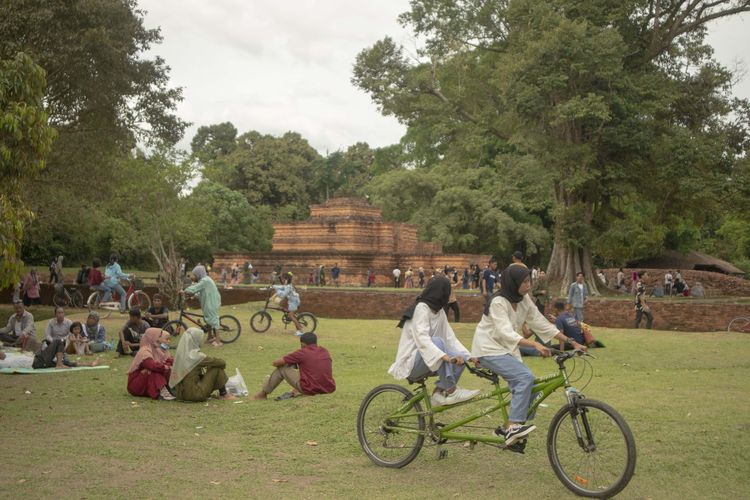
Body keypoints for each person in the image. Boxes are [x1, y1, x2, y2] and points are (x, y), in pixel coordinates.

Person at [471, 265, 586, 447]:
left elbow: (541, 323)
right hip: (488, 349)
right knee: (525, 378)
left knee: (532, 386)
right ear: (513, 283)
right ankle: (513, 427)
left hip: (507, 349)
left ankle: (508, 427)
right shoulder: (498, 302)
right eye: (524, 282)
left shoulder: (523, 299)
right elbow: (506, 333)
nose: (529, 286)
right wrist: (535, 344)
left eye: (529, 281)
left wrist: (572, 341)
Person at [389, 275, 479, 406]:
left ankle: (438, 393)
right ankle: (452, 391)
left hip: (428, 360)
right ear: (441, 293)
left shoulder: (439, 311)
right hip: (411, 363)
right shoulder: (421, 308)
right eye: (448, 292)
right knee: (437, 342)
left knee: (459, 356)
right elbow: (423, 340)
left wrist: (470, 357)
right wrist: (445, 357)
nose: (450, 295)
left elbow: (450, 339)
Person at [251, 332, 335, 400]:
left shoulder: (302, 353)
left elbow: (275, 363)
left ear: (302, 344)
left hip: (311, 389)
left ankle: (262, 394)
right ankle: (296, 389)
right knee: (305, 367)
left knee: (282, 368)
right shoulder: (324, 351)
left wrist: (290, 357)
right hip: (327, 389)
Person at [169, 328, 236, 402]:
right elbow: (221, 363)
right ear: (195, 339)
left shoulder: (181, 354)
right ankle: (224, 394)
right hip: (194, 394)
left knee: (210, 367)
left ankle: (223, 394)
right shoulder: (195, 356)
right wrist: (209, 365)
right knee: (217, 368)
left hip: (181, 394)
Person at [127, 328, 174, 400]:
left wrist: (168, 365)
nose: (159, 340)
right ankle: (162, 392)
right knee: (152, 370)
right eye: (158, 336)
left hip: (145, 383)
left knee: (163, 369)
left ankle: (169, 389)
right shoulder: (144, 351)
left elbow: (169, 361)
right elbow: (153, 366)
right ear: (151, 337)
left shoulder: (156, 349)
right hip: (135, 386)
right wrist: (167, 367)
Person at [182, 264, 222, 347]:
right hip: (208, 302)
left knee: (213, 320)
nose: (195, 276)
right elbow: (201, 291)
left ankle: (218, 341)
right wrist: (193, 295)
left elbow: (196, 288)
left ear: (199, 274)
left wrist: (185, 291)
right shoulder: (204, 280)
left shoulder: (205, 281)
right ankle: (210, 337)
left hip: (211, 303)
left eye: (196, 275)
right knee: (208, 320)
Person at [33, 337, 100, 369]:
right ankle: (59, 365)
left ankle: (59, 365)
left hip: (39, 362)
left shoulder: (62, 360)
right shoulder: (57, 355)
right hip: (38, 361)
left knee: (59, 341)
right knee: (58, 341)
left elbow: (74, 364)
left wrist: (90, 364)